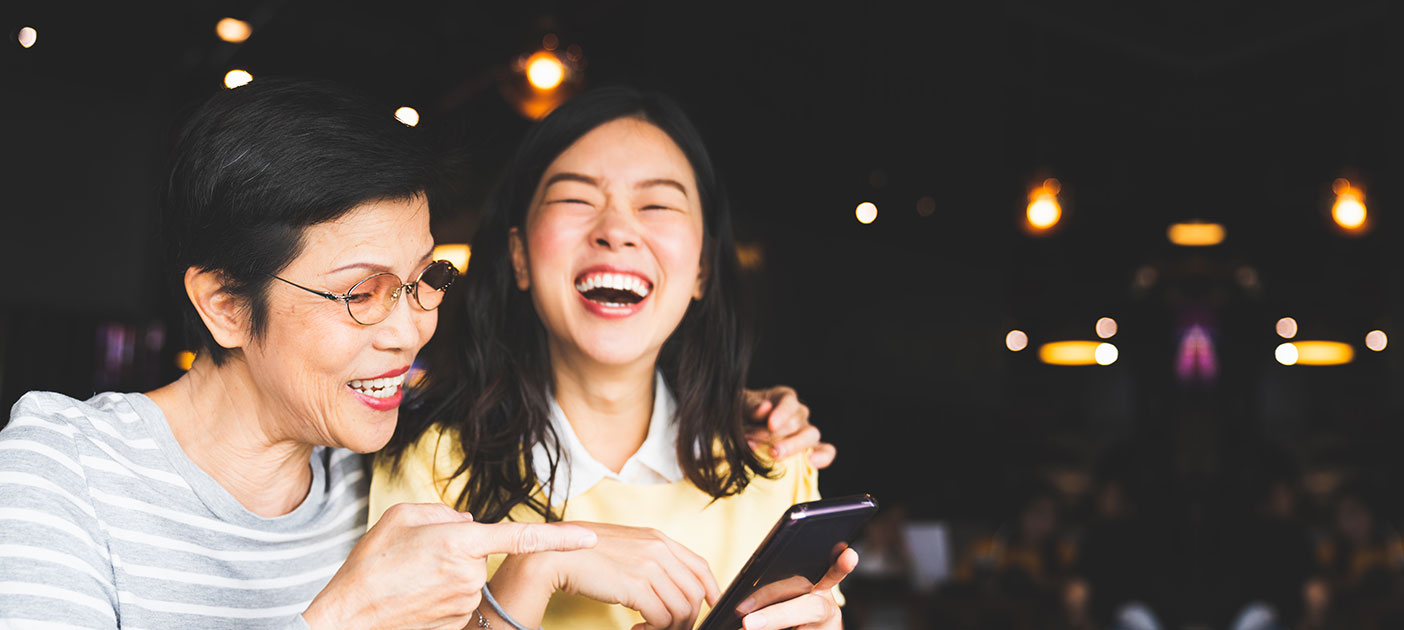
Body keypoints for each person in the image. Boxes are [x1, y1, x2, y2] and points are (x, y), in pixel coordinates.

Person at [0, 78, 828, 629]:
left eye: (423, 281)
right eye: (362, 292)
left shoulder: (380, 478)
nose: (408, 330)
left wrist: (750, 408)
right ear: (223, 303)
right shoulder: (60, 468)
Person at [372, 86, 854, 630]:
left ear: (700, 268)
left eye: (658, 204)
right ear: (519, 256)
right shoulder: (433, 466)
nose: (617, 231)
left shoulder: (776, 464)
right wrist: (533, 572)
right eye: (577, 199)